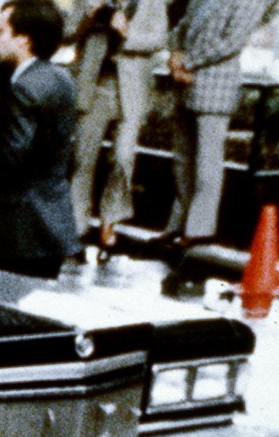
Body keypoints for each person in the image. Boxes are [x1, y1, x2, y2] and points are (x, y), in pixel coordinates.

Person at [0, 0, 77, 279]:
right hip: (51, 227)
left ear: (23, 40)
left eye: (2, 31)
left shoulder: (23, 90)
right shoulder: (62, 80)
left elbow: (12, 160)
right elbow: (60, 154)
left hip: (10, 233)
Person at [166, 0, 276, 248]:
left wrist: (188, 61)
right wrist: (175, 54)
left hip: (216, 85)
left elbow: (232, 41)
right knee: (182, 160)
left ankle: (199, 229)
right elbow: (183, 25)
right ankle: (178, 225)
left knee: (208, 163)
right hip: (185, 81)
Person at [68, 0, 167, 251]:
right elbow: (67, 32)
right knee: (83, 157)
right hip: (94, 84)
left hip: (131, 88)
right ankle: (77, 224)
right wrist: (88, 18)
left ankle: (109, 219)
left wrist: (127, 34)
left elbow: (159, 38)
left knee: (123, 158)